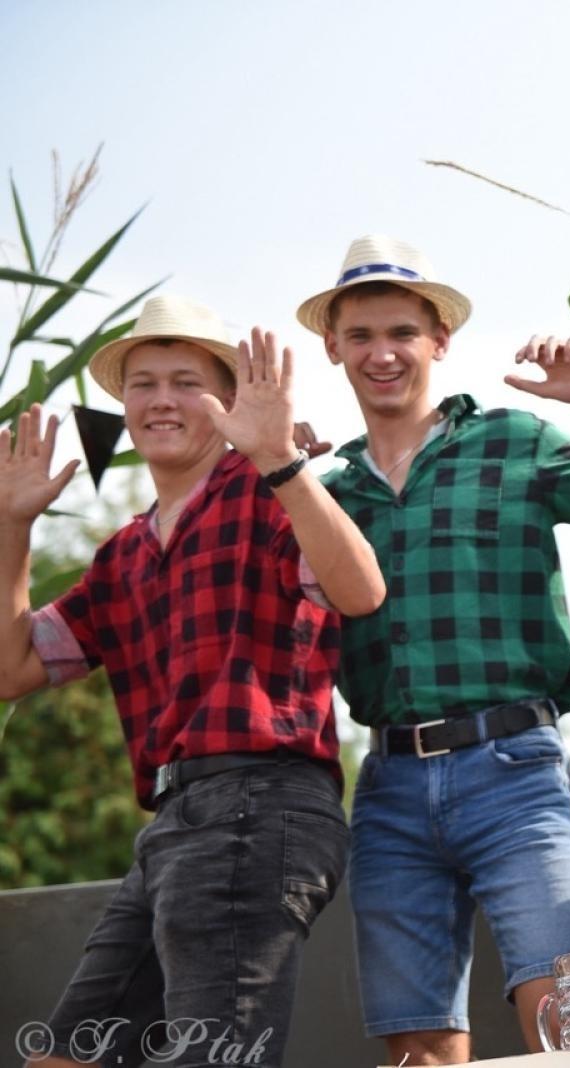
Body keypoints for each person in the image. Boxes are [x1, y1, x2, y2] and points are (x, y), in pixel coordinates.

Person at [0, 294, 385, 1068]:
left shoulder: (268, 494)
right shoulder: (123, 554)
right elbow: (11, 670)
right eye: (143, 383)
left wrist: (282, 461)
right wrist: (13, 527)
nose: (163, 400)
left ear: (231, 402)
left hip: (261, 804)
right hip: (173, 826)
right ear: (122, 403)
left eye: (186, 381)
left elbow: (360, 591)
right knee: (66, 1057)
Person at [299, 234, 570, 1064]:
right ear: (334, 348)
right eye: (362, 336)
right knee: (416, 1040)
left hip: (514, 771)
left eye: (402, 333)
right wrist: (281, 470)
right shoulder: (323, 493)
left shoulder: (513, 440)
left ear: (439, 340)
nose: (383, 353)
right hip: (386, 788)